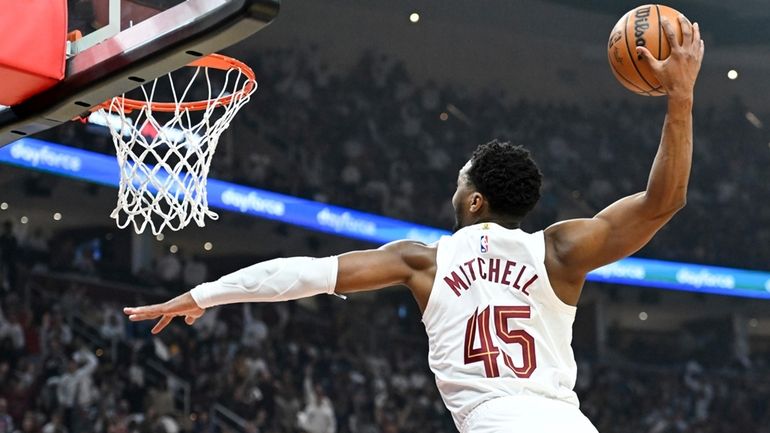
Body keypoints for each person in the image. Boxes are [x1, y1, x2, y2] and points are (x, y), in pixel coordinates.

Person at [124, 17, 704, 433]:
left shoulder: (421, 260)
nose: (452, 191)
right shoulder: (559, 250)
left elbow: (304, 273)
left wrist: (204, 293)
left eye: (458, 184)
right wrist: (680, 99)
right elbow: (662, 202)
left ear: (474, 201)